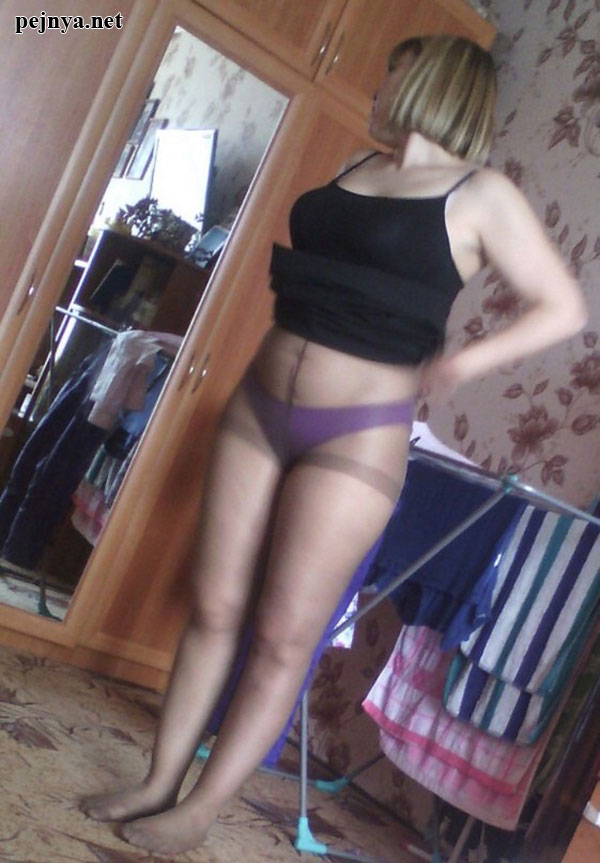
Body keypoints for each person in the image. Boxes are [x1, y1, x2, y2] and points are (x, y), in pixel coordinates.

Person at [81, 35, 586, 854]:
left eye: (391, 75)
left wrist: (463, 361)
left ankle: (199, 809)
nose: (378, 90)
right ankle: (156, 778)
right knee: (214, 605)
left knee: (284, 635)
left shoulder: (479, 193)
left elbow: (563, 305)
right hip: (258, 408)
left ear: (428, 83)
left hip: (355, 438)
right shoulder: (357, 165)